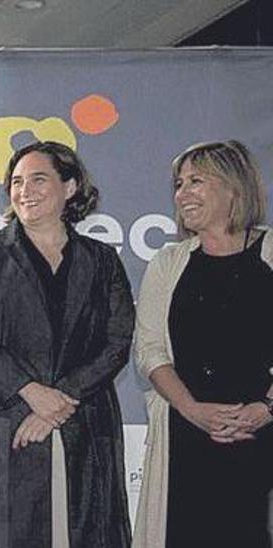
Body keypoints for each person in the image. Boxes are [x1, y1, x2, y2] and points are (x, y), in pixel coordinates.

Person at [0, 141, 133, 547]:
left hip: (80, 425)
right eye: (17, 182)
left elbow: (117, 341)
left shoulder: (102, 261)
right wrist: (30, 392)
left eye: (38, 179)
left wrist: (60, 400)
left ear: (71, 186)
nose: (25, 190)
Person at [133, 140, 273, 548]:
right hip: (186, 439)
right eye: (179, 184)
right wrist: (192, 411)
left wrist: (264, 410)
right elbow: (151, 351)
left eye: (196, 181)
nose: (183, 194)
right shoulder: (168, 262)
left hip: (262, 434)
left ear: (234, 188)